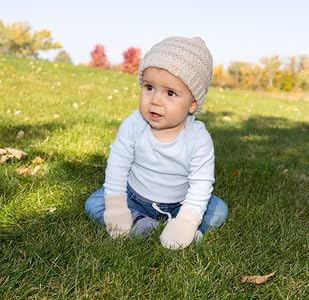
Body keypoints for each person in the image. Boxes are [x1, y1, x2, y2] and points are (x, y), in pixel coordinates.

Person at [85, 36, 228, 250]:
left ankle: (187, 228)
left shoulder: (198, 138)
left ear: (192, 104)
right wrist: (116, 205)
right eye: (149, 87)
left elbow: (201, 183)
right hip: (134, 195)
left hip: (180, 202)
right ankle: (139, 221)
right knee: (94, 202)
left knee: (218, 210)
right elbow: (117, 165)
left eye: (170, 93)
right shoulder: (133, 125)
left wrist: (188, 218)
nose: (156, 100)